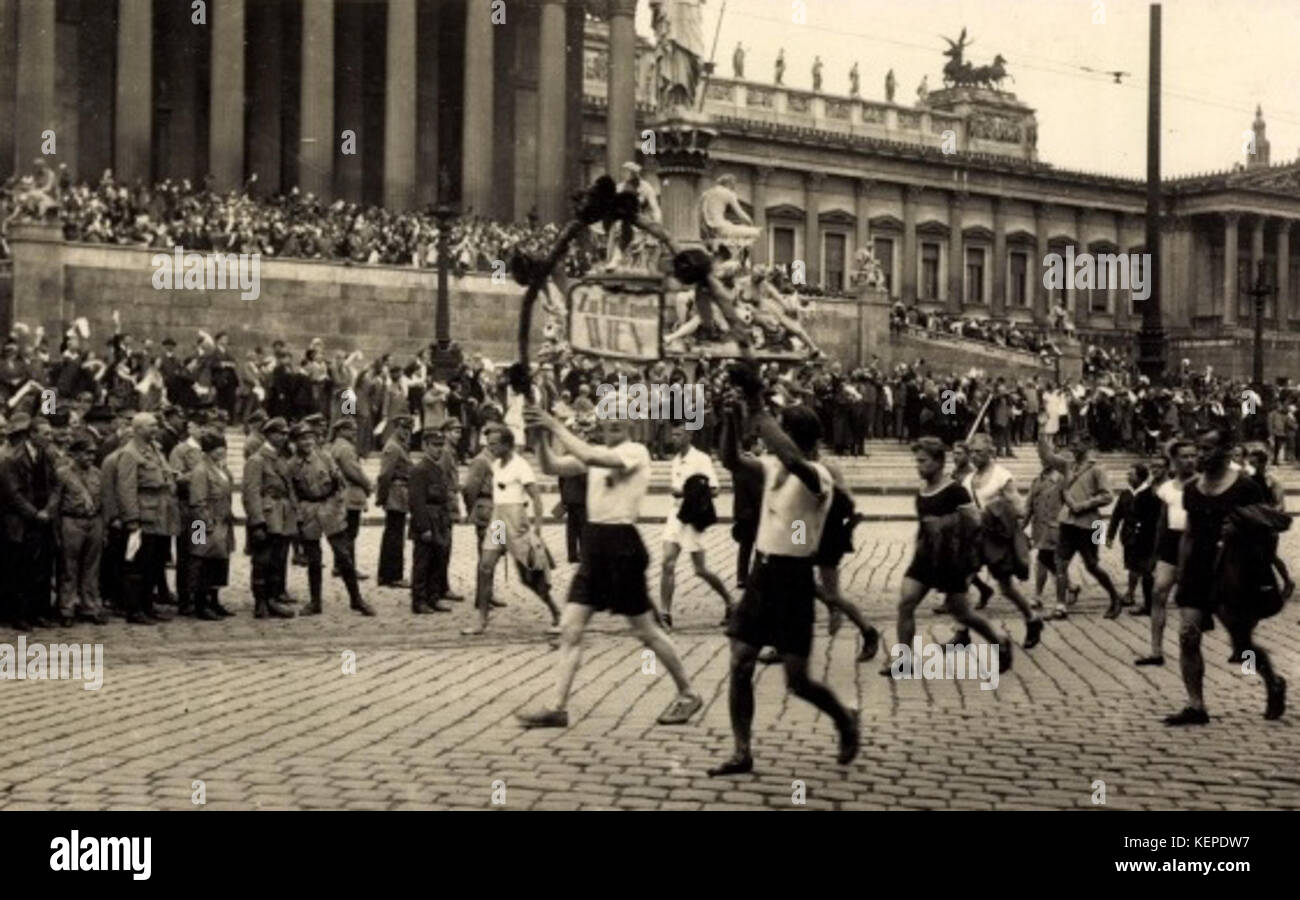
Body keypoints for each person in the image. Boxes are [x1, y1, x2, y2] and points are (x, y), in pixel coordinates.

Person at [708, 372, 859, 776]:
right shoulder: (773, 465)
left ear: (797, 438)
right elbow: (731, 461)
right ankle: (742, 751)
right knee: (740, 661)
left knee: (797, 680)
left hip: (794, 577)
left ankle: (844, 718)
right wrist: (730, 420)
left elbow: (791, 458)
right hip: (764, 572)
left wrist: (758, 409)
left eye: (779, 431)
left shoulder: (818, 476)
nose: (768, 439)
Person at [517, 408, 704, 729]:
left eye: (622, 415)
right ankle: (557, 707)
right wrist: (540, 438)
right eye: (610, 414)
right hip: (595, 545)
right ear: (601, 421)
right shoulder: (594, 453)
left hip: (621, 546)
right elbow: (551, 466)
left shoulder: (635, 452)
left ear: (632, 423)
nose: (615, 420)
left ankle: (688, 692)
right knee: (570, 628)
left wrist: (554, 425)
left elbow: (593, 457)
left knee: (645, 631)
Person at [1164, 428, 1286, 724]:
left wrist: (1243, 538)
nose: (1201, 455)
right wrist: (1182, 572)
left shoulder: (1245, 487)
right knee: (1187, 636)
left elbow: (1267, 530)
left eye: (1207, 449)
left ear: (1227, 451)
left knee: (1241, 644)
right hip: (1198, 571)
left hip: (1233, 571)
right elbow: (1189, 534)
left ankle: (1272, 680)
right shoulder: (1192, 488)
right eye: (1199, 449)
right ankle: (1196, 705)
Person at [885, 437, 1012, 677]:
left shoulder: (955, 491)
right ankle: (904, 660)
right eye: (917, 461)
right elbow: (923, 526)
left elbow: (975, 524)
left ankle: (999, 640)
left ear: (938, 462)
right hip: (925, 558)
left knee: (962, 613)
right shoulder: (922, 491)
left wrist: (946, 529)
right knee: (906, 603)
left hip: (951, 560)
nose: (918, 466)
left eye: (923, 461)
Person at [463, 424, 559, 635]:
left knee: (529, 576)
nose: (491, 448)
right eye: (488, 444)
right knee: (485, 566)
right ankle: (481, 620)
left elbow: (536, 498)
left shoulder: (521, 465)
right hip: (498, 520)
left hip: (516, 522)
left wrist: (538, 529)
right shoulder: (495, 465)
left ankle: (556, 612)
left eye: (495, 444)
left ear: (508, 444)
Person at [1036, 423, 1127, 619]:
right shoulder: (1069, 465)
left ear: (1087, 445)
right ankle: (1060, 606)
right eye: (1071, 445)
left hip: (1093, 524)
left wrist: (1082, 505)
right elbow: (1047, 457)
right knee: (1060, 562)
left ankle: (1115, 597)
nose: (1072, 448)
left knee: (1092, 565)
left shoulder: (1098, 469)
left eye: (1076, 445)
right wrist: (1042, 431)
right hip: (1067, 522)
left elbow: (1108, 496)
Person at [287, 423, 376, 617]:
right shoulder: (292, 465)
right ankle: (315, 602)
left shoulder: (325, 457)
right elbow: (292, 492)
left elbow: (340, 484)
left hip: (329, 509)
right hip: (308, 511)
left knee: (344, 556)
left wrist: (338, 506)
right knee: (314, 560)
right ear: (295, 442)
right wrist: (299, 515)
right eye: (302, 439)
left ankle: (356, 599)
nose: (307, 442)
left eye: (310, 437)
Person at [964, 434, 1044, 647]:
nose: (974, 456)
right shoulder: (968, 479)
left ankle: (1032, 618)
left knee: (1006, 587)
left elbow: (1019, 508)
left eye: (979, 452)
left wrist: (999, 511)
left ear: (991, 452)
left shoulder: (1002, 476)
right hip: (977, 538)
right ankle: (961, 631)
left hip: (997, 540)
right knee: (962, 580)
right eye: (971, 452)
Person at [660, 421, 733, 629]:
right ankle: (665, 612)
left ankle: (730, 601)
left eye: (679, 435)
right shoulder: (676, 460)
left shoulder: (701, 459)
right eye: (673, 435)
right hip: (676, 515)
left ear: (690, 436)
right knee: (667, 562)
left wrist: (686, 493)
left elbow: (714, 489)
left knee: (700, 569)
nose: (675, 439)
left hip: (693, 518)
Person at [1136, 439, 1196, 665]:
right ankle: (1156, 650)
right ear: (1174, 460)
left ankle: (1190, 648)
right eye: (1185, 456)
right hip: (1171, 543)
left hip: (1195, 544)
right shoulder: (1167, 488)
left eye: (1193, 455)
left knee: (1189, 601)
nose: (1190, 460)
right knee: (1158, 593)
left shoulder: (1203, 484)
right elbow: (1162, 523)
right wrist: (1155, 554)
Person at [117, 412, 180, 625]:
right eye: (151, 426)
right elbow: (126, 489)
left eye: (156, 426)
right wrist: (132, 519)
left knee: (154, 563)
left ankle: (147, 605)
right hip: (144, 515)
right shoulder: (130, 454)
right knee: (138, 564)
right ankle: (134, 609)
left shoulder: (155, 449)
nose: (155, 430)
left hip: (160, 515)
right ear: (138, 429)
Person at [243, 417, 296, 619]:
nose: (284, 437)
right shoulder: (257, 460)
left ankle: (273, 599)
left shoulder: (279, 458)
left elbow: (289, 487)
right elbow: (251, 493)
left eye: (285, 434)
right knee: (262, 560)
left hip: (282, 514)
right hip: (267, 515)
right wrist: (257, 522)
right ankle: (260, 602)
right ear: (269, 434)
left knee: (277, 559)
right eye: (279, 433)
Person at [55, 435, 108, 626]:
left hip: (93, 521)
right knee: (69, 567)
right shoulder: (63, 474)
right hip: (71, 520)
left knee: (92, 567)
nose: (90, 457)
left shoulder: (97, 474)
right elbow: (56, 502)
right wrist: (57, 530)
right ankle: (66, 608)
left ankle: (90, 606)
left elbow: (103, 501)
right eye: (86, 453)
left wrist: (104, 527)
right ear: (76, 454)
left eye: (93, 453)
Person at [186, 431, 236, 620]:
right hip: (203, 523)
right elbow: (197, 502)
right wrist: (205, 526)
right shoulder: (201, 470)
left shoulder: (221, 469)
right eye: (217, 448)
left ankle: (214, 601)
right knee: (200, 560)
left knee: (218, 563)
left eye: (223, 448)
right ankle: (200, 603)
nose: (222, 451)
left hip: (221, 522)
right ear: (207, 451)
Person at [409, 425, 454, 615]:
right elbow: (416, 501)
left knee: (438, 560)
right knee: (423, 562)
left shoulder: (437, 467)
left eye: (441, 445)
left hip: (440, 519)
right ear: (425, 446)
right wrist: (424, 527)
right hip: (427, 520)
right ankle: (419, 600)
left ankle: (433, 597)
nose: (439, 449)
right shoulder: (420, 469)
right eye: (435, 445)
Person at [1106, 463, 1160, 614]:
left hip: (1146, 539)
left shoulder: (1151, 495)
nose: (1128, 477)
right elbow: (1116, 516)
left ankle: (1148, 601)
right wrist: (1110, 535)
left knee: (1145, 569)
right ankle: (1130, 594)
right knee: (1132, 566)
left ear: (1140, 477)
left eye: (1131, 474)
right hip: (1129, 538)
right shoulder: (1125, 494)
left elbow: (1156, 519)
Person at [1247, 444, 1294, 600]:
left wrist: (1268, 516)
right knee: (1257, 554)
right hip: (1253, 521)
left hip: (1268, 522)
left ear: (1262, 463)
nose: (1251, 466)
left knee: (1269, 555)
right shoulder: (1249, 479)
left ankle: (1286, 581)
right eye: (1250, 463)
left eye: (1254, 463)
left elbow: (1279, 503)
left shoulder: (1272, 481)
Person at [328, 418, 371, 581]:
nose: (354, 432)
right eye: (350, 429)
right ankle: (347, 567)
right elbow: (354, 472)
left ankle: (340, 565)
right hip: (349, 494)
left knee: (344, 532)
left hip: (343, 494)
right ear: (340, 431)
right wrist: (368, 485)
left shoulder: (337, 446)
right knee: (349, 533)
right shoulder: (345, 448)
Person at [376, 415, 413, 588]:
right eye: (403, 428)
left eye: (408, 429)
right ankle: (392, 575)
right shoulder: (393, 448)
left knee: (394, 535)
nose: (406, 432)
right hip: (395, 494)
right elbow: (385, 475)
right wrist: (381, 497)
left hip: (400, 494)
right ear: (396, 427)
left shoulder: (400, 446)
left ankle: (388, 575)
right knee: (394, 537)